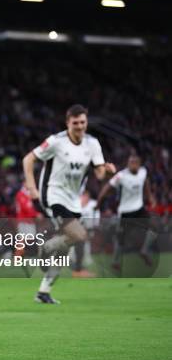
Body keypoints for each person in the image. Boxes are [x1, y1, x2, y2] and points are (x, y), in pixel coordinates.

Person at [23, 105, 116, 304]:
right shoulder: (56, 142)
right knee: (79, 234)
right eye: (75, 123)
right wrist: (32, 189)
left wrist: (107, 171)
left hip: (73, 201)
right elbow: (28, 159)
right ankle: (47, 247)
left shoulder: (92, 144)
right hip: (53, 196)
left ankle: (43, 292)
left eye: (83, 122)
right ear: (68, 123)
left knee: (65, 250)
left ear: (86, 122)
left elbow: (100, 174)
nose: (80, 126)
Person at [96, 154, 157, 269]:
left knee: (153, 227)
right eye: (130, 162)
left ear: (139, 164)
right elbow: (107, 188)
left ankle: (144, 250)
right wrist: (99, 202)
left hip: (139, 208)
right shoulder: (121, 176)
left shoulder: (143, 172)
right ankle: (115, 261)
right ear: (128, 164)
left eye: (134, 162)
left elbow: (145, 183)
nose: (132, 165)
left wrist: (150, 197)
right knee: (121, 238)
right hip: (125, 211)